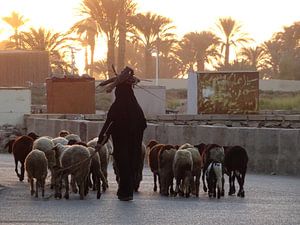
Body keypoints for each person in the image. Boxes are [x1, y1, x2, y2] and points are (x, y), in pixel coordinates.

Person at [96, 66, 147, 201]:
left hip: (121, 145)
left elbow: (109, 124)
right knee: (131, 167)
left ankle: (125, 193)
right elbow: (143, 124)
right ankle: (128, 192)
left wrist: (101, 141)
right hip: (134, 146)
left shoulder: (117, 106)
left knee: (123, 167)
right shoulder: (136, 108)